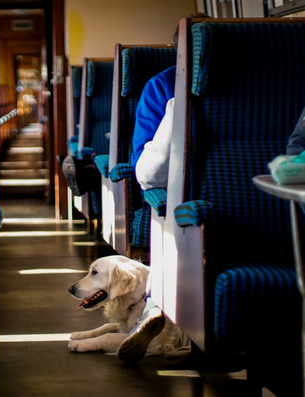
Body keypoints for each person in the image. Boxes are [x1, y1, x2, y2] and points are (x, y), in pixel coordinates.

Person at [118, 13, 210, 364]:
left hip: (184, 196)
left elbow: (148, 173)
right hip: (200, 194)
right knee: (171, 206)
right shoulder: (163, 87)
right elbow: (147, 165)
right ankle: (157, 308)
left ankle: (155, 308)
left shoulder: (161, 86)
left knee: (173, 212)